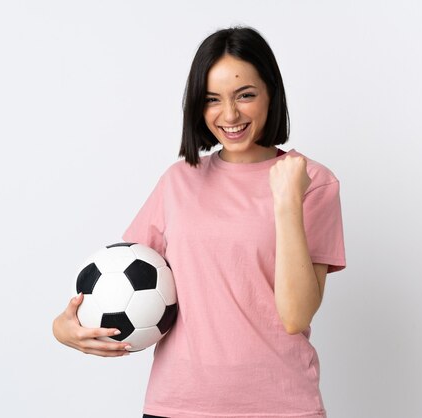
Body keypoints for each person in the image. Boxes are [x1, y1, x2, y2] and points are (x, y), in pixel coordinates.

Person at [53, 26, 346, 418]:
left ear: (271, 93)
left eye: (245, 95)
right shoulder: (179, 181)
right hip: (178, 405)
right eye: (212, 100)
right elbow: (120, 281)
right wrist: (63, 328)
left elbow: (295, 316)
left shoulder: (312, 181)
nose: (230, 115)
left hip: (281, 405)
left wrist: (287, 203)